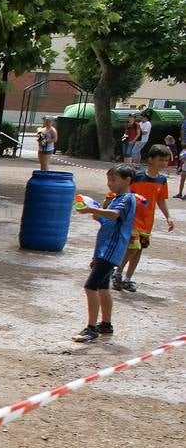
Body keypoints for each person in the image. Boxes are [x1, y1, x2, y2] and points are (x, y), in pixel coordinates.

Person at [72, 165, 136, 342]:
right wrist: (95, 211)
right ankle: (106, 324)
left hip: (110, 250)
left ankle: (91, 328)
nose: (110, 183)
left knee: (90, 286)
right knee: (102, 288)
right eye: (108, 179)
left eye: (114, 179)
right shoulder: (117, 198)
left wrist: (93, 210)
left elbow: (115, 215)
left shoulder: (127, 199)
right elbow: (107, 219)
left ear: (127, 180)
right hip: (105, 250)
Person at [114, 144, 175, 293]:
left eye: (166, 160)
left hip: (147, 222)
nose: (164, 163)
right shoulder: (137, 176)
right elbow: (123, 192)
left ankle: (128, 278)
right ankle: (117, 274)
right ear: (150, 160)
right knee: (133, 247)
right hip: (132, 219)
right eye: (160, 159)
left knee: (139, 249)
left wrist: (168, 216)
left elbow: (161, 200)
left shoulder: (162, 180)